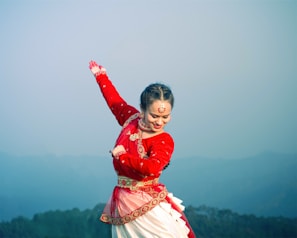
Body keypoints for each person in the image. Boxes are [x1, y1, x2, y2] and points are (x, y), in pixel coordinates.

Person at [89, 60, 196, 238]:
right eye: (154, 115)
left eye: (165, 116)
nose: (160, 122)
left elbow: (152, 167)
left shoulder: (163, 140)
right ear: (142, 110)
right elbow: (114, 102)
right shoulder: (130, 120)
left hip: (149, 207)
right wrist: (101, 76)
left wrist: (122, 156)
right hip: (125, 202)